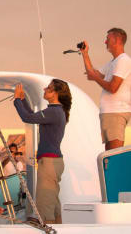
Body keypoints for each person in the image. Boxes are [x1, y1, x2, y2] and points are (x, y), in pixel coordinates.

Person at [13, 79, 72, 224]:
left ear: (56, 93)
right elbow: (33, 116)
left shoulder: (53, 111)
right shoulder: (56, 111)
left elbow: (27, 117)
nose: (45, 89)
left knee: (45, 209)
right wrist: (22, 100)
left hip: (49, 164)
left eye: (49, 88)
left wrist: (16, 100)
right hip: (54, 162)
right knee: (53, 206)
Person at [80, 28, 131, 151]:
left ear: (117, 40)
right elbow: (92, 73)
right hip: (109, 113)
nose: (105, 42)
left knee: (113, 155)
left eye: (107, 39)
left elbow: (113, 87)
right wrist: (85, 54)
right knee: (109, 154)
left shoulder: (123, 61)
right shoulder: (113, 62)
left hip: (116, 112)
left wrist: (96, 78)